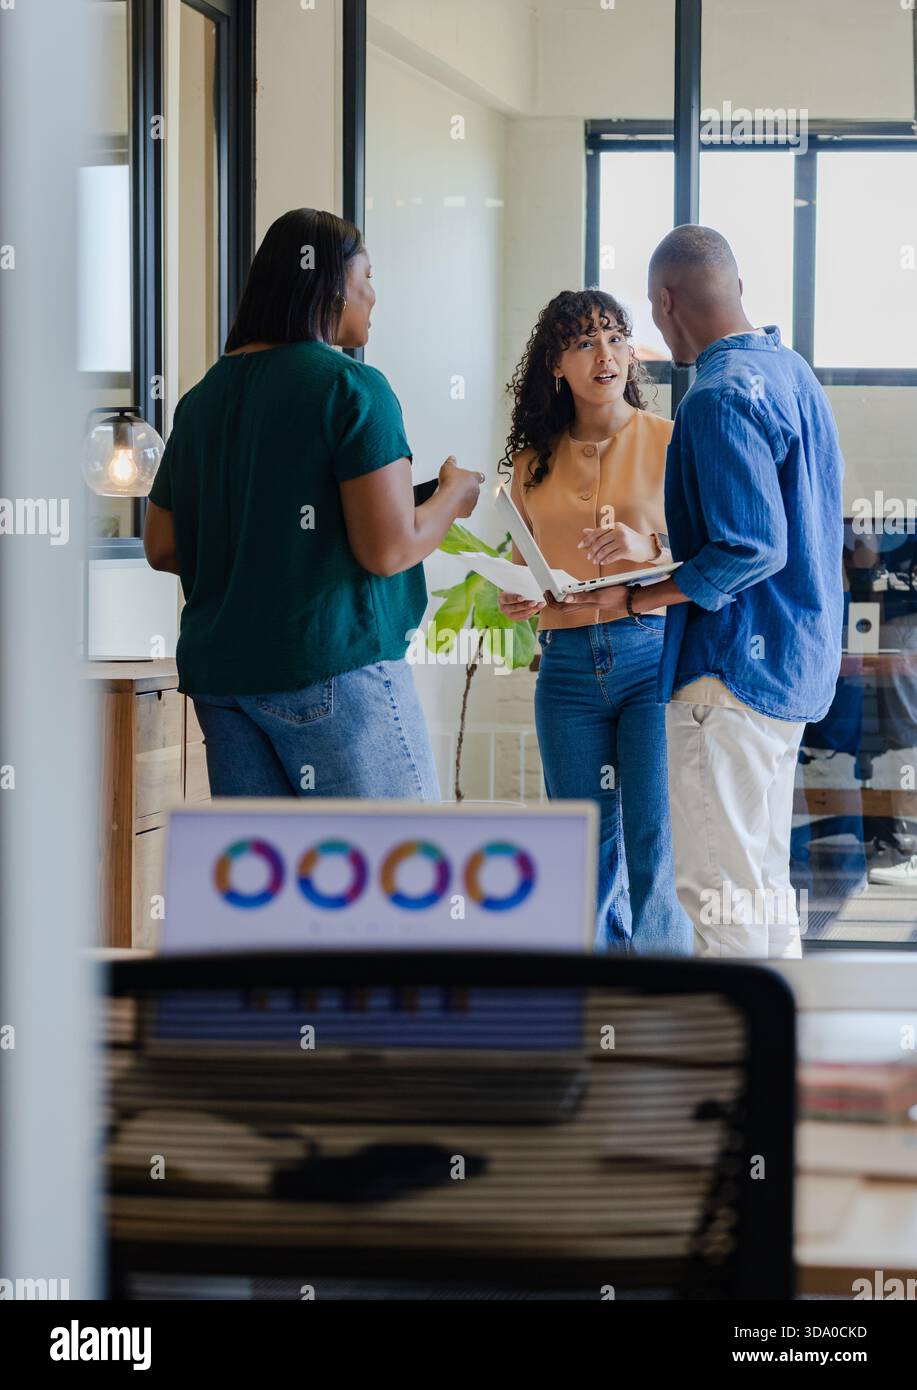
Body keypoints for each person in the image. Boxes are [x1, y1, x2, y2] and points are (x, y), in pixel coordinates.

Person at [558, 227, 844, 958]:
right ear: (737, 289)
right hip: (789, 667)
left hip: (726, 676)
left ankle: (736, 1070)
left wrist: (634, 599)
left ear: (663, 302)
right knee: (758, 886)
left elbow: (749, 547)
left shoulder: (715, 396)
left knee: (717, 899)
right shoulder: (791, 372)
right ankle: (780, 1058)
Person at [143, 208, 482, 799]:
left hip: (226, 688)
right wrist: (454, 494)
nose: (373, 295)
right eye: (367, 276)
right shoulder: (349, 386)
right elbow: (390, 548)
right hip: (332, 672)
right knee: (400, 884)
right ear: (329, 282)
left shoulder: (202, 400)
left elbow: (164, 545)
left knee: (277, 889)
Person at [498, 290, 691, 954]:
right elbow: (522, 560)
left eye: (614, 336)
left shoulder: (671, 440)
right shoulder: (529, 462)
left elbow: (713, 553)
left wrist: (651, 550)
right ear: (556, 364)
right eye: (583, 342)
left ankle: (665, 1000)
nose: (603, 354)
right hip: (565, 667)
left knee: (652, 839)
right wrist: (518, 596)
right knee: (579, 848)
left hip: (651, 656)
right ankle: (593, 997)